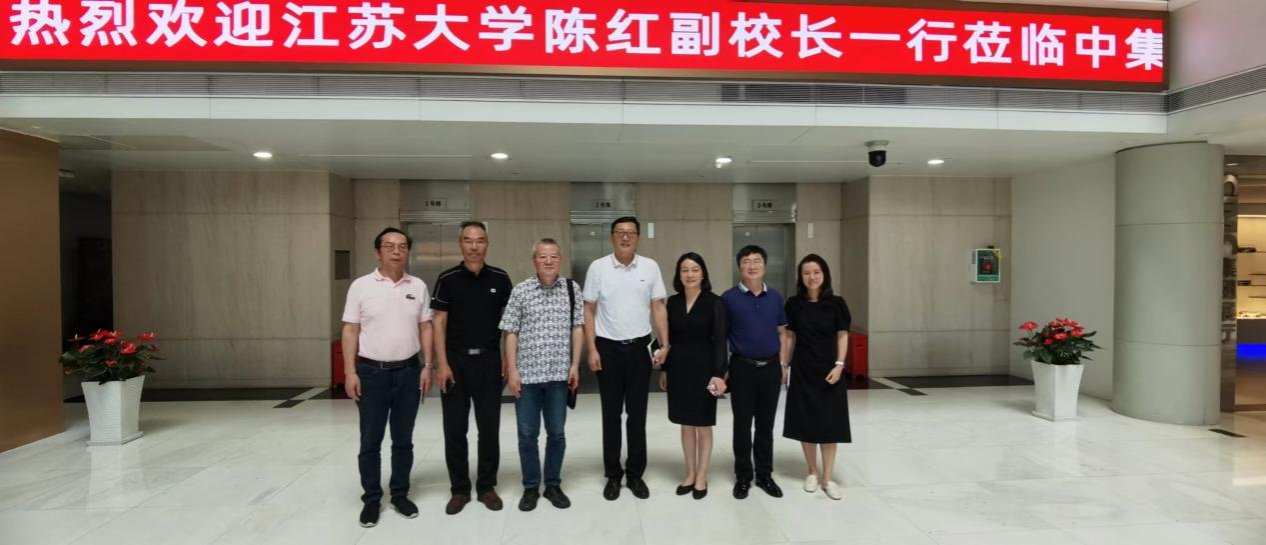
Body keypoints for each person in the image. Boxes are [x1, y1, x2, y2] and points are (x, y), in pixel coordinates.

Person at [342, 227, 435, 528]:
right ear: (377, 251)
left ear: (408, 251)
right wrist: (350, 372)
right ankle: (371, 498)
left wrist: (427, 366)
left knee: (403, 439)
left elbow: (426, 327)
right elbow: (350, 330)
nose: (396, 251)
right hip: (371, 373)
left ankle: (399, 494)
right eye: (389, 246)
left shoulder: (418, 286)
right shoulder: (361, 286)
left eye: (402, 246)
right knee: (371, 439)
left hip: (409, 372)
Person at [583, 216, 669, 501]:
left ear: (638, 237)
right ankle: (612, 474)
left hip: (640, 349)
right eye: (620, 232)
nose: (625, 237)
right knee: (611, 414)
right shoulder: (598, 268)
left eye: (630, 232)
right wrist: (592, 348)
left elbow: (658, 306)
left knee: (637, 414)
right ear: (612, 236)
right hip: (607, 349)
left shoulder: (650, 267)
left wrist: (665, 344)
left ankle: (634, 474)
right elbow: (588, 310)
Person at [430, 221, 514, 515]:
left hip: (490, 361)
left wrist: (508, 358)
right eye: (468, 240)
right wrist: (441, 364)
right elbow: (438, 322)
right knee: (455, 428)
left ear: (487, 243)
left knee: (489, 428)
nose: (474, 246)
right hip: (455, 362)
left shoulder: (500, 278)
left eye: (479, 240)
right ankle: (460, 489)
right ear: (460, 243)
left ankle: (487, 486)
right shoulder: (447, 278)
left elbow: (510, 323)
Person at [500, 238, 584, 512]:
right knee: (527, 435)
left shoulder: (572, 289)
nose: (548, 261)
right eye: (543, 256)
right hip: (527, 377)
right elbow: (510, 332)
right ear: (534, 260)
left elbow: (577, 328)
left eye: (553, 256)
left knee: (556, 433)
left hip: (559, 376)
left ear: (560, 259)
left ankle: (553, 485)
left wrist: (575, 365)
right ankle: (530, 487)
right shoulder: (521, 291)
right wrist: (512, 370)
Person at [656, 252, 728, 500]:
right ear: (679, 275)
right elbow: (668, 340)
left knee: (703, 424)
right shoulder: (672, 302)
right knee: (686, 424)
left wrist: (719, 374)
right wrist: (664, 369)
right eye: (685, 270)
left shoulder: (714, 302)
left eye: (695, 269)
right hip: (678, 370)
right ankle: (689, 473)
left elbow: (720, 340)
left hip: (706, 372)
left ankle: (702, 476)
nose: (690, 274)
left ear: (703, 273)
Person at [721, 245, 789, 500]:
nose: (752, 266)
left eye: (757, 261)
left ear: (765, 266)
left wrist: (783, 365)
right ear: (739, 267)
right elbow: (721, 337)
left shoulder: (775, 297)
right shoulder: (728, 298)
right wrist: (722, 371)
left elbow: (782, 333)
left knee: (765, 426)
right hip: (742, 368)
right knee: (741, 425)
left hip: (771, 369)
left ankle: (764, 475)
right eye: (746, 261)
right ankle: (743, 476)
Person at [784, 254, 853, 501]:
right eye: (806, 273)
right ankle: (812, 471)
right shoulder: (794, 304)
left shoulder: (837, 303)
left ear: (824, 274)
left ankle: (828, 478)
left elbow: (842, 335)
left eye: (816, 272)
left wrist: (839, 365)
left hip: (829, 370)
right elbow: (789, 336)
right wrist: (784, 365)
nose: (811, 277)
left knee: (830, 423)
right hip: (803, 369)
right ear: (800, 277)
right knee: (806, 421)